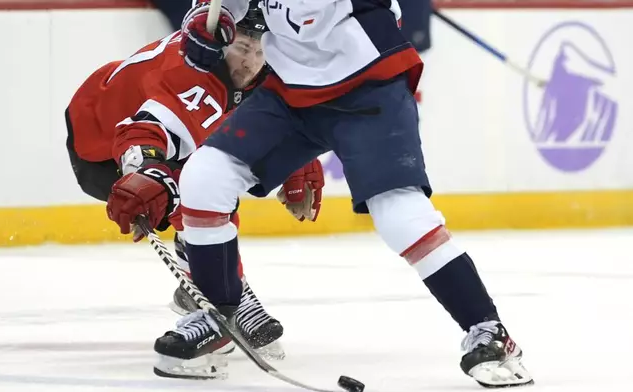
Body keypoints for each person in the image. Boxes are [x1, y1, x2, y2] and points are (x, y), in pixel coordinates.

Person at [107, 0, 533, 387]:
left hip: (369, 85)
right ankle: (219, 315)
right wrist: (205, 20)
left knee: (400, 215)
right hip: (288, 88)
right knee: (205, 175)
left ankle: (490, 332)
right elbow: (230, 7)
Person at [67, 2, 323, 365]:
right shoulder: (188, 71)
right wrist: (145, 172)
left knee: (211, 177)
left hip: (141, 134)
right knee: (199, 184)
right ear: (222, 45)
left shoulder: (257, 72)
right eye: (242, 49)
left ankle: (219, 290)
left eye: (260, 51)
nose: (250, 63)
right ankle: (222, 297)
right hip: (99, 144)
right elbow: (145, 131)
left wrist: (298, 156)